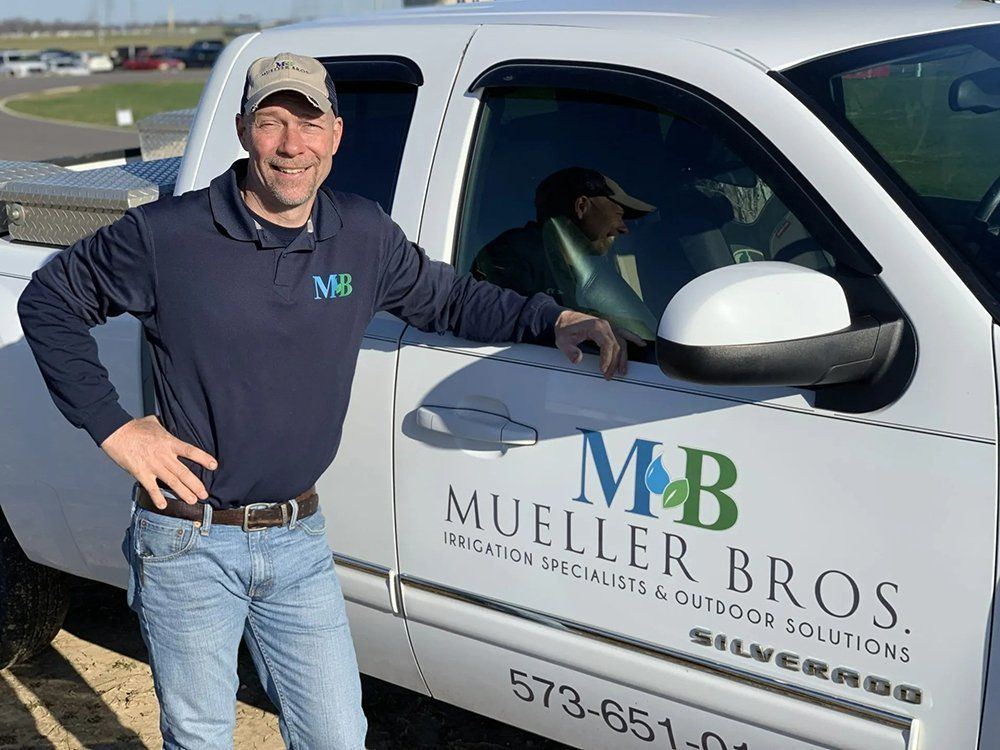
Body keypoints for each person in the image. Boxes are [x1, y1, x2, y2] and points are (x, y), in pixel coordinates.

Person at [16, 53, 635, 750]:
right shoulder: (170, 236)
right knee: (200, 736)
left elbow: (449, 298)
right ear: (246, 129)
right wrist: (116, 428)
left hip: (299, 539)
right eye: (273, 122)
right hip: (188, 540)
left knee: (338, 735)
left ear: (336, 134)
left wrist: (550, 319)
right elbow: (49, 301)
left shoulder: (362, 234)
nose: (291, 146)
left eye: (308, 123)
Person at [472, 166, 660, 339]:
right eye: (619, 215)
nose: (624, 229)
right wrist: (587, 323)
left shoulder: (581, 266)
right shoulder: (513, 254)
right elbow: (508, 316)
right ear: (581, 206)